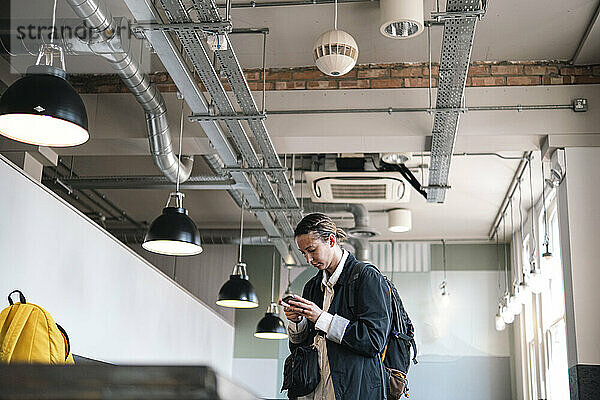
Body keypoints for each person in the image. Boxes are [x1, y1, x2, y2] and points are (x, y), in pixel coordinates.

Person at [281, 213, 392, 399]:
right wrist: (298, 322)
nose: (308, 259)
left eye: (312, 250)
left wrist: (321, 318)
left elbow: (374, 340)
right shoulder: (312, 286)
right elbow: (299, 348)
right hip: (313, 393)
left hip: (353, 392)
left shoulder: (367, 278)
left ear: (331, 240)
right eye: (303, 253)